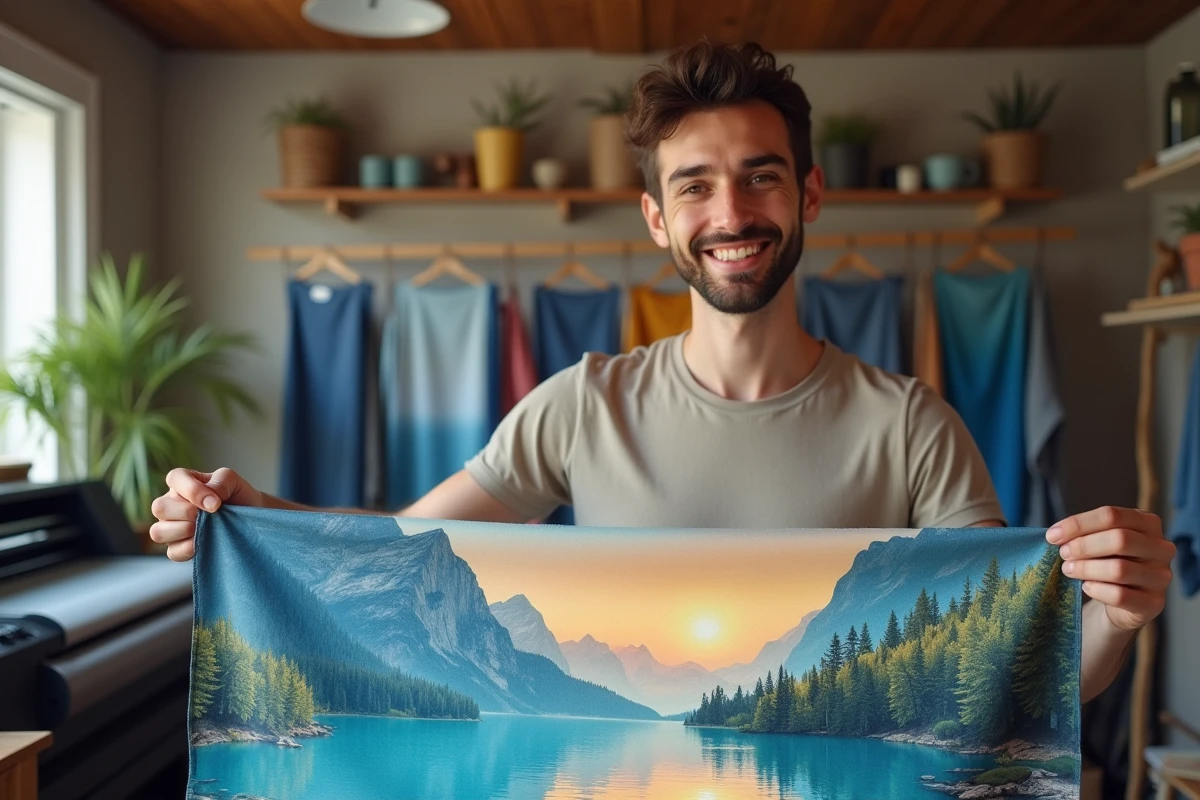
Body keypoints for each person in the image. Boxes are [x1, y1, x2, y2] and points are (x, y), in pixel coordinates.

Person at [150, 40, 1173, 705]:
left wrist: (1117, 620)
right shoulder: (580, 405)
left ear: (811, 194)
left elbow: (1009, 677)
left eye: (761, 176)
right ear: (658, 219)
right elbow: (405, 547)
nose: (732, 214)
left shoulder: (912, 426)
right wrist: (250, 515)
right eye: (695, 186)